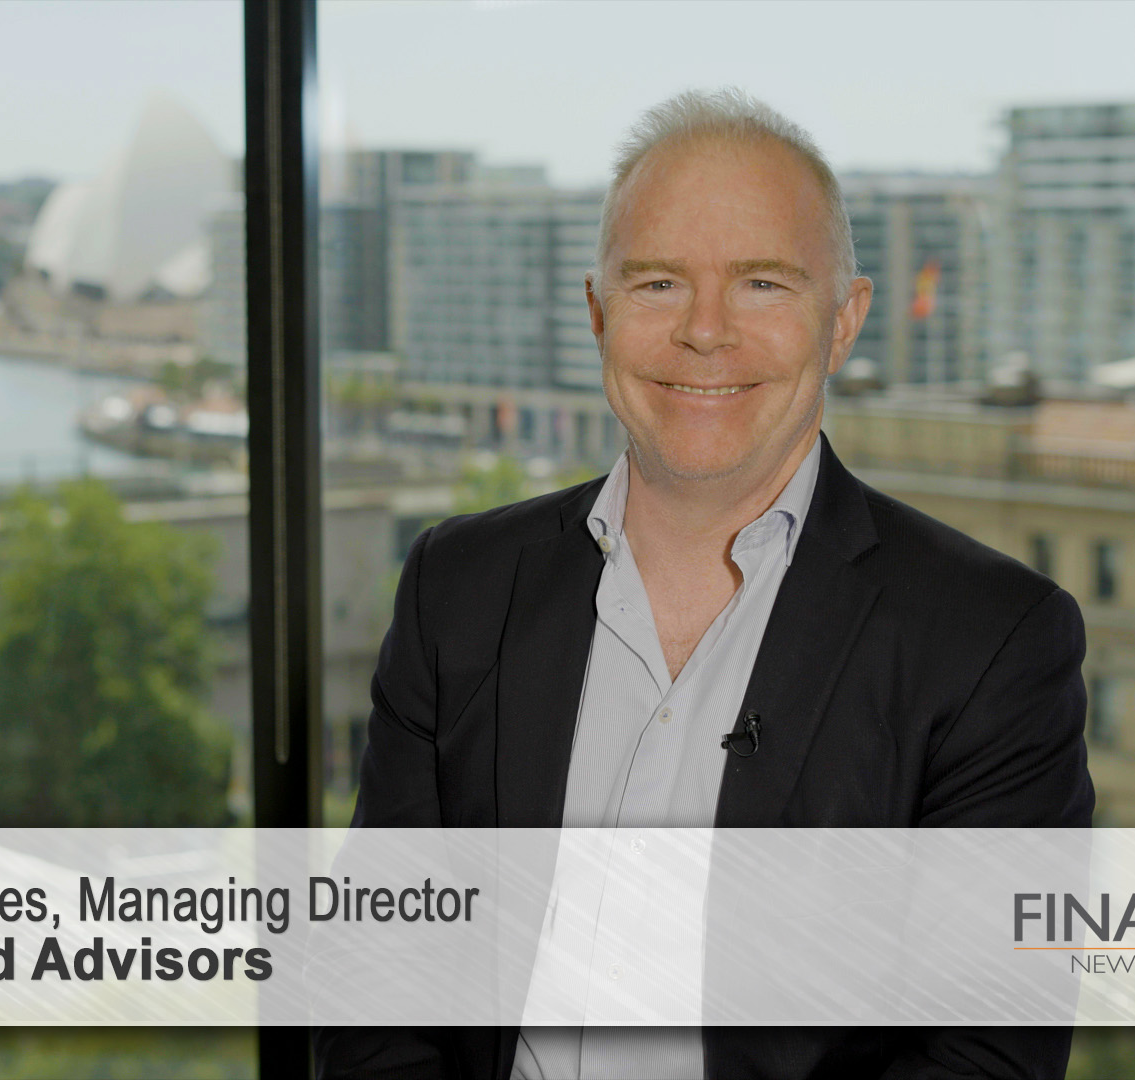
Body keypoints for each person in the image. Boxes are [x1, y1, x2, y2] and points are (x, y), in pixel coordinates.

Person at [318, 88, 1093, 1079]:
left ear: (843, 321)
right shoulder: (457, 587)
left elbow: (985, 1052)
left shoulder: (991, 642)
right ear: (598, 313)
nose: (706, 332)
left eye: (763, 283)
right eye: (658, 284)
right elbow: (378, 965)